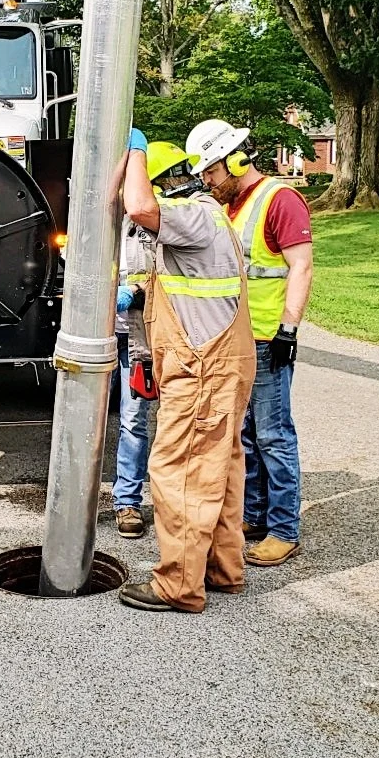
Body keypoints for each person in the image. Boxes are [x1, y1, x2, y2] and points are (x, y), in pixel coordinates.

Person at [118, 135, 256, 613]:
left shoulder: (192, 215)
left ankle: (178, 584)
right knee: (220, 467)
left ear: (164, 186)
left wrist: (133, 152)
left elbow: (139, 207)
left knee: (179, 470)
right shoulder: (206, 220)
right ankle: (222, 569)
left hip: (203, 371)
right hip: (217, 364)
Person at [186, 120, 313, 567]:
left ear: (237, 160)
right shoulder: (234, 206)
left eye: (211, 172)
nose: (206, 180)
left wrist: (288, 331)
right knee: (246, 436)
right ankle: (255, 515)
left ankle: (283, 529)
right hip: (236, 341)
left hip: (266, 339)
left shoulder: (280, 201)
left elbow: (301, 267)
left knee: (274, 435)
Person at [111, 217, 153, 538]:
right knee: (85, 420)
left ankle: (128, 502)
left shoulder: (154, 221)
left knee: (133, 419)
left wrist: (137, 292)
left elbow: (170, 276)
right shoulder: (94, 222)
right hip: (96, 338)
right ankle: (73, 500)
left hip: (139, 338)